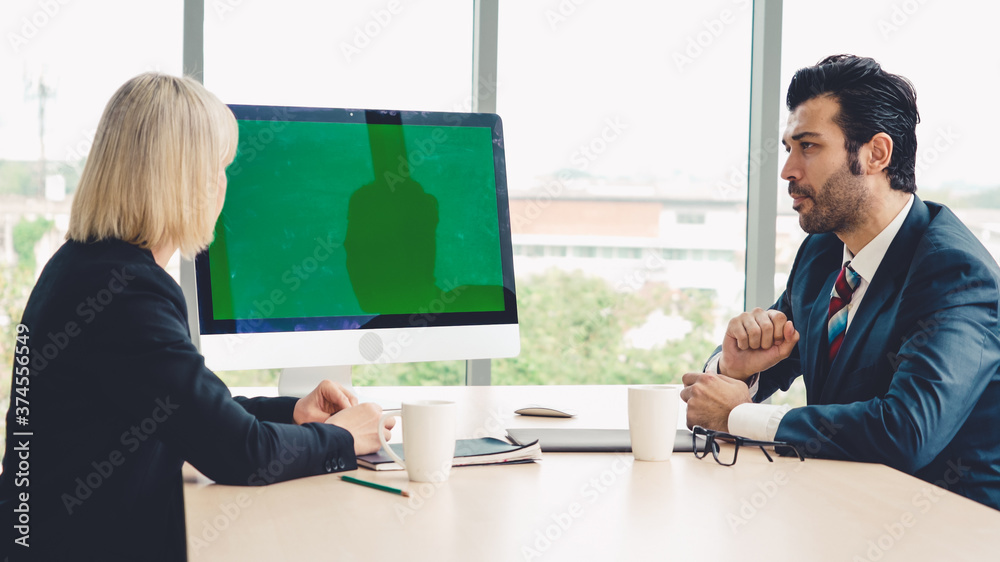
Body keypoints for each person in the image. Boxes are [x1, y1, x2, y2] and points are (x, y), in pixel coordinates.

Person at [0, 73, 395, 560]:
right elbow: (239, 454)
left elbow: (193, 412)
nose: (224, 185)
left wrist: (291, 412)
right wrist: (343, 438)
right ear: (181, 180)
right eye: (218, 169)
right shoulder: (127, 295)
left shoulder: (87, 268)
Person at [680, 55, 1000, 511]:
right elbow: (768, 363)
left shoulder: (953, 272)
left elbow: (906, 431)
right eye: (789, 147)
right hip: (841, 510)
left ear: (876, 154)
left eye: (808, 147)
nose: (788, 170)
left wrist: (739, 415)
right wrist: (737, 371)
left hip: (946, 529)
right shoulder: (823, 252)